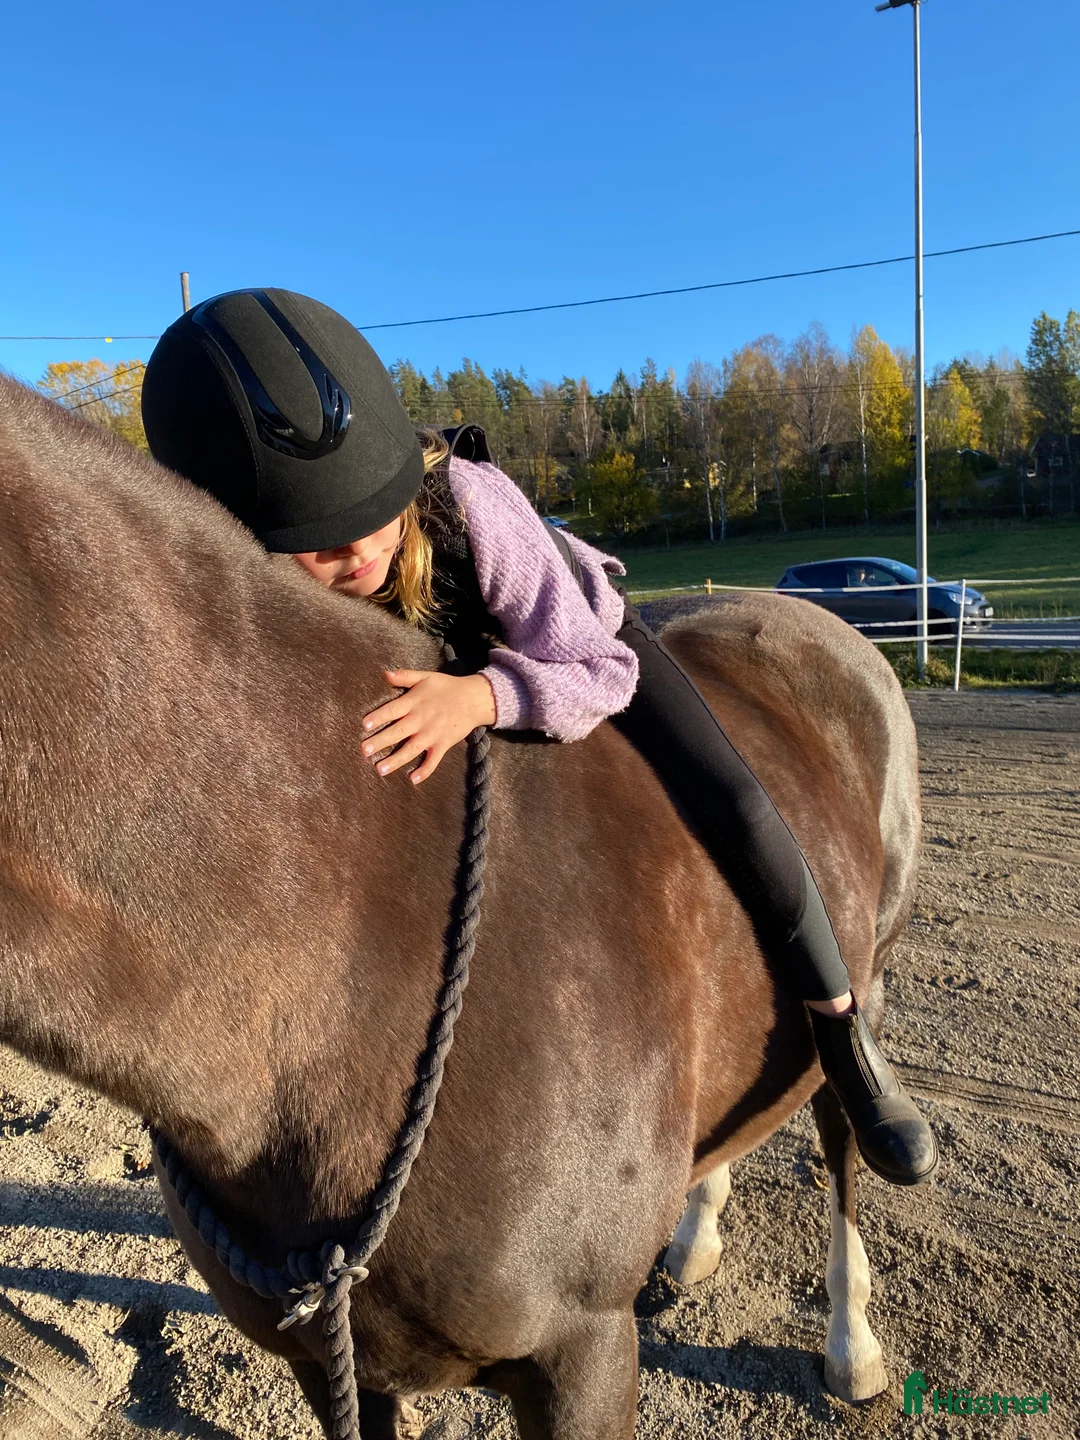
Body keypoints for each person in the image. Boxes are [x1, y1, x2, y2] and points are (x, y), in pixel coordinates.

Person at [141, 287, 937, 1187]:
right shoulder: (254, 586)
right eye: (315, 540)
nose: (358, 548)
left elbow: (599, 673)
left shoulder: (472, 506)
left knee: (739, 801)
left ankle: (843, 1031)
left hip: (572, 645)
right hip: (454, 676)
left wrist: (480, 697)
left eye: (373, 507)